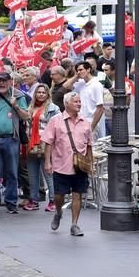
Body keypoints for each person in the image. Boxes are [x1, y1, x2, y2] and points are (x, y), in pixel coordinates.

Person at [43, 92, 92, 237]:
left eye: (79, 101)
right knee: (59, 195)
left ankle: (75, 224)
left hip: (80, 165)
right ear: (67, 104)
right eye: (76, 102)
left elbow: (89, 144)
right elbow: (48, 142)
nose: (79, 104)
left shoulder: (85, 122)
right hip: (61, 164)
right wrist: (47, 162)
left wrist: (90, 163)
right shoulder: (56, 120)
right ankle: (58, 212)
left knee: (78, 194)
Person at [0, 71, 29, 214]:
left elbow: (26, 116)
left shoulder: (18, 96)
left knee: (12, 172)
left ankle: (11, 202)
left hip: (11, 139)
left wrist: (15, 106)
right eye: (0, 80)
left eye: (4, 80)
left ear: (10, 81)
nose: (1, 83)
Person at [23, 84, 60, 212]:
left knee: (48, 173)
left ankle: (53, 201)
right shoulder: (30, 107)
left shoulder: (53, 108)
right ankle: (34, 200)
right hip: (31, 144)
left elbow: (58, 126)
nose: (41, 94)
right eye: (38, 92)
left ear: (47, 94)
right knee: (32, 174)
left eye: (43, 92)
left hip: (46, 143)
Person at [72, 61, 105, 139]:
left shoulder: (96, 85)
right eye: (77, 71)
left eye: (81, 70)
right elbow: (66, 86)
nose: (78, 72)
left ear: (88, 69)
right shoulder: (80, 84)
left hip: (90, 121)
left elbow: (100, 108)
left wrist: (92, 127)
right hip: (79, 121)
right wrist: (76, 77)